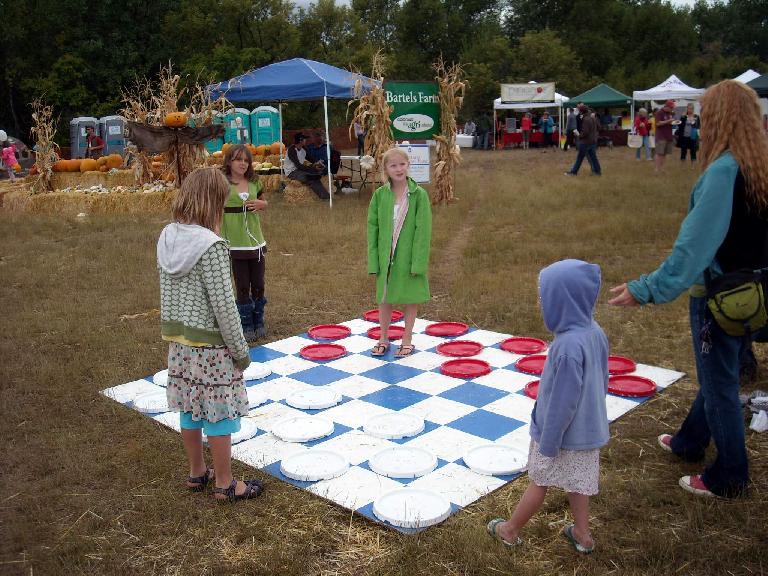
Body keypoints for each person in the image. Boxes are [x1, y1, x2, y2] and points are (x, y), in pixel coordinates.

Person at [609, 80, 768, 498]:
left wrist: (647, 289)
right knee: (720, 374)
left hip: (720, 299)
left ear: (717, 119)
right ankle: (689, 442)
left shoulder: (723, 172)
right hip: (757, 297)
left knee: (719, 385)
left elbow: (693, 249)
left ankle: (730, 476)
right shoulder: (760, 166)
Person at [157, 167, 264, 502]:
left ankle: (196, 472)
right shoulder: (212, 246)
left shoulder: (167, 236)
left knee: (189, 408)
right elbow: (224, 306)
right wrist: (240, 351)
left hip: (179, 342)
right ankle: (226, 483)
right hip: (212, 346)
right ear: (215, 201)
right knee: (220, 414)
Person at [487, 259, 609, 554]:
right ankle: (582, 534)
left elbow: (562, 403)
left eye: (544, 297)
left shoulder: (566, 347)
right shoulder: (595, 332)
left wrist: (549, 442)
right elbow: (602, 379)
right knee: (578, 483)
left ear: (563, 302)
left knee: (539, 482)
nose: (540, 304)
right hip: (587, 433)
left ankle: (509, 529)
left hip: (559, 436)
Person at [367, 147, 432, 358]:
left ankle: (407, 338)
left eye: (402, 164)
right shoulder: (379, 195)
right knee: (384, 298)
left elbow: (423, 231)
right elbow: (372, 228)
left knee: (410, 297)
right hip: (386, 256)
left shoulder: (419, 195)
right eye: (393, 165)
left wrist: (418, 263)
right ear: (385, 169)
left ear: (408, 165)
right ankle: (383, 337)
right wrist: (374, 261)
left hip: (409, 256)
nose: (398, 169)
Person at [220, 144, 268, 341]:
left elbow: (264, 201)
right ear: (229, 161)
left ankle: (259, 320)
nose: (243, 163)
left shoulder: (254, 182)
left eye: (246, 160)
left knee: (258, 283)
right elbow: (212, 205)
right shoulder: (222, 183)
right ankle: (245, 323)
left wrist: (263, 204)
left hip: (255, 241)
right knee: (242, 284)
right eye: (238, 159)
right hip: (235, 241)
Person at [283, 132, 329, 199]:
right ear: (300, 140)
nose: (306, 140)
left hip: (299, 170)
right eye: (304, 139)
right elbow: (298, 165)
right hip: (292, 172)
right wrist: (312, 168)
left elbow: (311, 159)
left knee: (317, 173)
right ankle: (325, 197)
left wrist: (318, 163)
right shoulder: (291, 150)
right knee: (310, 177)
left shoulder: (303, 149)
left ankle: (325, 195)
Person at [565, 105, 601, 176]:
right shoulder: (592, 118)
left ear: (581, 111)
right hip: (593, 141)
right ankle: (597, 171)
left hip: (585, 142)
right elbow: (598, 127)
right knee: (593, 158)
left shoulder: (586, 119)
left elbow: (585, 132)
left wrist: (578, 135)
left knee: (579, 158)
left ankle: (573, 172)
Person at [654, 100, 677, 172]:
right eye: (671, 107)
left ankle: (662, 168)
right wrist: (668, 121)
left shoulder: (670, 113)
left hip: (668, 136)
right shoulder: (659, 113)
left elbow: (669, 122)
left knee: (665, 154)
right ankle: (657, 169)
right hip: (661, 136)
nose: (672, 109)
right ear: (666, 106)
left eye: (672, 108)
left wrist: (673, 122)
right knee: (659, 153)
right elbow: (657, 123)